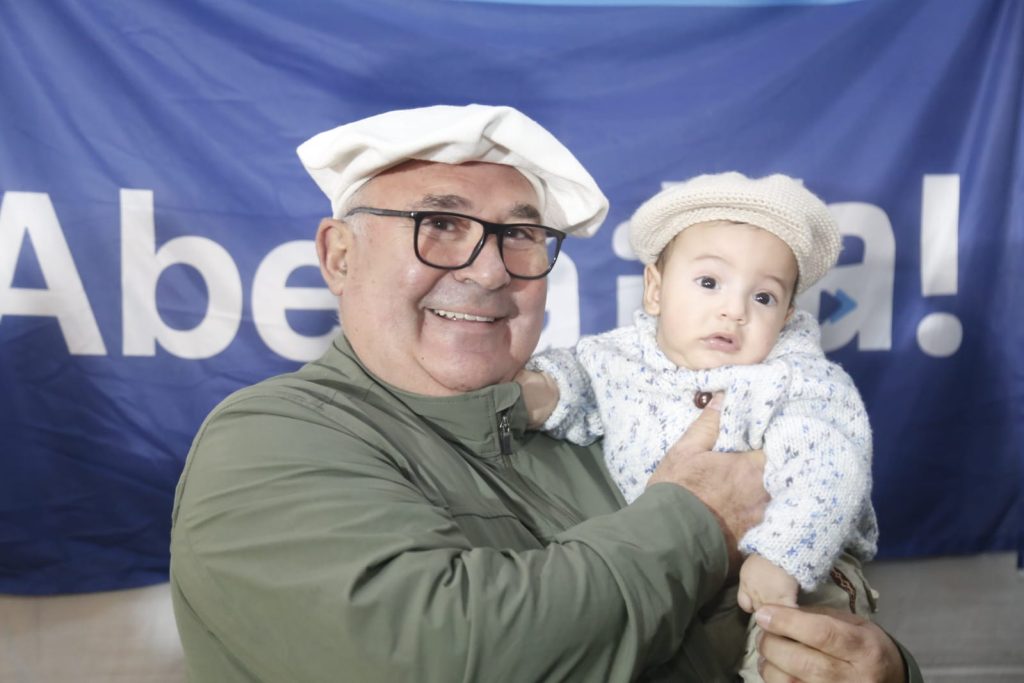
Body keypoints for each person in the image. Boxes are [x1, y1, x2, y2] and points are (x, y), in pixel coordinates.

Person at [169, 104, 921, 682]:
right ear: (339, 256)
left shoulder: (598, 428)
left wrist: (879, 668)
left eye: (520, 236)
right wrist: (697, 519)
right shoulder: (266, 440)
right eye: (439, 223)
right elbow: (443, 655)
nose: (489, 270)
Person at [516, 172, 878, 680]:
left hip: (800, 566)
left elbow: (831, 470)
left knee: (800, 654)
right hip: (683, 572)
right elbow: (580, 375)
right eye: (709, 283)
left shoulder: (796, 382)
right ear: (655, 290)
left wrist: (782, 557)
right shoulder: (620, 358)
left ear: (786, 316)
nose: (734, 310)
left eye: (764, 298)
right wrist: (545, 390)